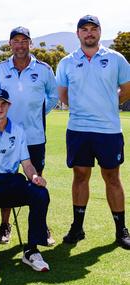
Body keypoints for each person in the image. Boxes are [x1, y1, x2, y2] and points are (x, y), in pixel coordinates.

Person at [56, 15, 130, 249]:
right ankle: (77, 228)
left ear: (99, 32)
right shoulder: (67, 62)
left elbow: (127, 89)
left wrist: (110, 104)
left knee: (112, 177)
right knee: (80, 176)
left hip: (108, 130)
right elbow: (63, 95)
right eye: (84, 29)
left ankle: (121, 230)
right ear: (77, 34)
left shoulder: (116, 59)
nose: (89, 33)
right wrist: (81, 109)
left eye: (93, 29)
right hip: (78, 130)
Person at [0, 89, 51, 272]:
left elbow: (27, 164)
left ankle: (31, 249)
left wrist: (35, 177)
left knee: (40, 193)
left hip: (12, 180)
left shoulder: (18, 130)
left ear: (9, 106)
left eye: (3, 103)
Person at [0, 26, 58, 245]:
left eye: (24, 41)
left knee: (36, 182)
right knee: (7, 181)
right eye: (15, 41)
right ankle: (5, 225)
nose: (20, 45)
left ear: (30, 43)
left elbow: (53, 95)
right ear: (10, 44)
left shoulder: (44, 69)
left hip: (34, 136)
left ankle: (40, 227)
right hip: (6, 135)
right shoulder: (1, 69)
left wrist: (38, 112)